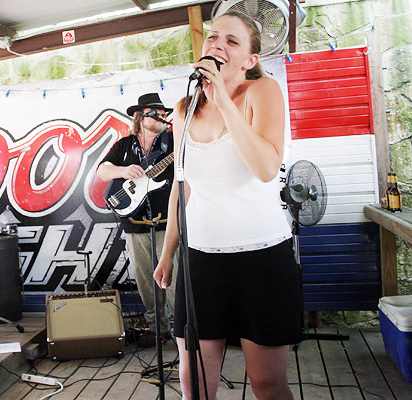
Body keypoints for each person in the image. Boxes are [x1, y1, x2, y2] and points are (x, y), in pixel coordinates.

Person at [153, 12, 302, 400]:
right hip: (201, 259)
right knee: (195, 382)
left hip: (262, 257)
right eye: (213, 37)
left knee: (267, 384)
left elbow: (266, 168)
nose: (217, 44)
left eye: (232, 41)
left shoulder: (262, 91)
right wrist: (168, 252)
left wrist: (223, 98)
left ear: (250, 60)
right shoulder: (185, 108)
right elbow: (180, 187)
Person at [97, 92, 179, 340]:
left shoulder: (173, 142)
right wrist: (123, 170)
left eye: (166, 114)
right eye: (159, 113)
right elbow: (103, 172)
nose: (164, 117)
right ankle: (158, 328)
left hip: (168, 222)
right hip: (135, 223)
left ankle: (180, 329)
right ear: (142, 117)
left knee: (174, 280)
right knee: (146, 280)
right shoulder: (124, 145)